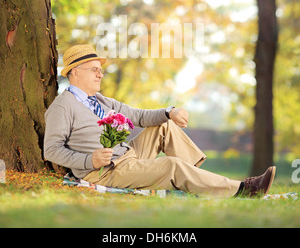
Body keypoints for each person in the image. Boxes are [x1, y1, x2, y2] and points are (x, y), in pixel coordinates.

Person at [44, 44, 276, 198]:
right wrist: (89, 160)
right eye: (94, 69)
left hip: (128, 156)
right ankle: (245, 191)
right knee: (171, 165)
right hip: (105, 171)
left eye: (100, 70)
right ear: (74, 72)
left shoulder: (102, 100)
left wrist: (169, 111)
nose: (100, 74)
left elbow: (139, 116)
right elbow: (51, 150)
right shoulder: (62, 106)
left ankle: (199, 181)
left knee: (164, 126)